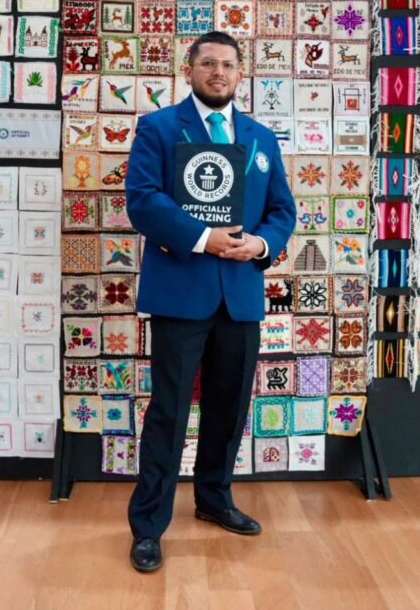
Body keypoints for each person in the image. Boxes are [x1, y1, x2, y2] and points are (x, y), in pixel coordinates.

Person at [125, 31, 295, 572]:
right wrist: (203, 238)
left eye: (227, 64)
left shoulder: (260, 137)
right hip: (181, 293)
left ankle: (214, 499)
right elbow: (142, 201)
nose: (218, 72)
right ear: (189, 69)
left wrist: (261, 245)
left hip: (240, 295)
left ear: (241, 73)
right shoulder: (158, 128)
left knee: (229, 408)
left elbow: (282, 210)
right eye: (207, 63)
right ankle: (148, 526)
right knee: (169, 412)